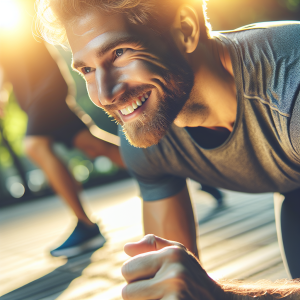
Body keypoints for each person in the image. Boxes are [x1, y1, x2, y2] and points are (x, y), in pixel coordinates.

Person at [35, 0, 300, 298]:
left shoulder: (291, 87)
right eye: (87, 69)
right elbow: (169, 284)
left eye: (119, 53)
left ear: (186, 29)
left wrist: (226, 296)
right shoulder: (148, 131)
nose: (106, 94)